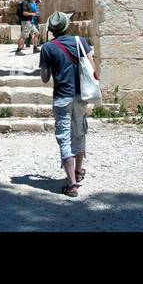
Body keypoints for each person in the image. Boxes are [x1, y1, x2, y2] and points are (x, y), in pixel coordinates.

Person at [39, 11, 96, 198]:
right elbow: (93, 69)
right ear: (66, 26)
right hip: (81, 95)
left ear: (51, 29)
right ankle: (78, 171)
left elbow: (45, 79)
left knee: (64, 137)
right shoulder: (80, 41)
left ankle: (71, 185)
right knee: (79, 131)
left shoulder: (47, 48)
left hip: (62, 97)